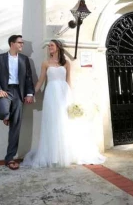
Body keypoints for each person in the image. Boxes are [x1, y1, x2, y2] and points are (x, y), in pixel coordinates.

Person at [23, 39, 105, 168]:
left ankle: (68, 154)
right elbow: (40, 81)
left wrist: (72, 99)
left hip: (64, 94)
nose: (49, 47)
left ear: (58, 47)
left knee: (66, 121)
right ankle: (53, 155)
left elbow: (69, 81)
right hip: (51, 94)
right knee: (53, 122)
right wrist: (31, 94)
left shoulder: (66, 63)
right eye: (49, 45)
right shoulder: (45, 63)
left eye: (51, 45)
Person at [0, 35, 35, 170]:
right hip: (5, 90)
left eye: (22, 42)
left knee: (15, 127)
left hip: (19, 93)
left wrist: (29, 93)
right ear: (12, 43)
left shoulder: (24, 59)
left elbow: (28, 77)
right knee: (3, 111)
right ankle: (6, 116)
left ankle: (9, 158)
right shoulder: (0, 58)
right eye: (20, 42)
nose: (22, 45)